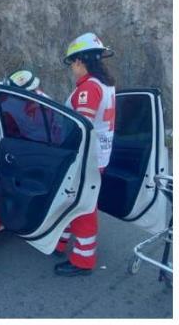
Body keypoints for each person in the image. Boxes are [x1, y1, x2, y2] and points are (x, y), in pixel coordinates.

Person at [54, 32, 117, 277]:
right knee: (75, 201)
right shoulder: (106, 85)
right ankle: (61, 242)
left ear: (80, 62)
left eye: (73, 64)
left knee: (83, 207)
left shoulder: (88, 89)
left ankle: (83, 260)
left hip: (86, 159)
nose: (72, 70)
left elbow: (81, 129)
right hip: (99, 156)